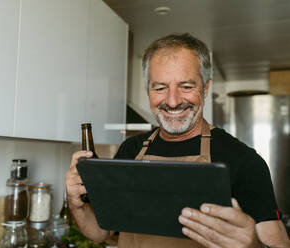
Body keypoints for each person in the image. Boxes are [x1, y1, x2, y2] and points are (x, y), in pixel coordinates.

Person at [65, 33, 290, 248]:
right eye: (160, 88)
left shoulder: (244, 161)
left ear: (205, 88)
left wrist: (252, 245)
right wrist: (77, 205)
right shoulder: (130, 150)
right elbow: (99, 233)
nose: (172, 101)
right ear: (148, 91)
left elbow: (278, 243)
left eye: (186, 87)